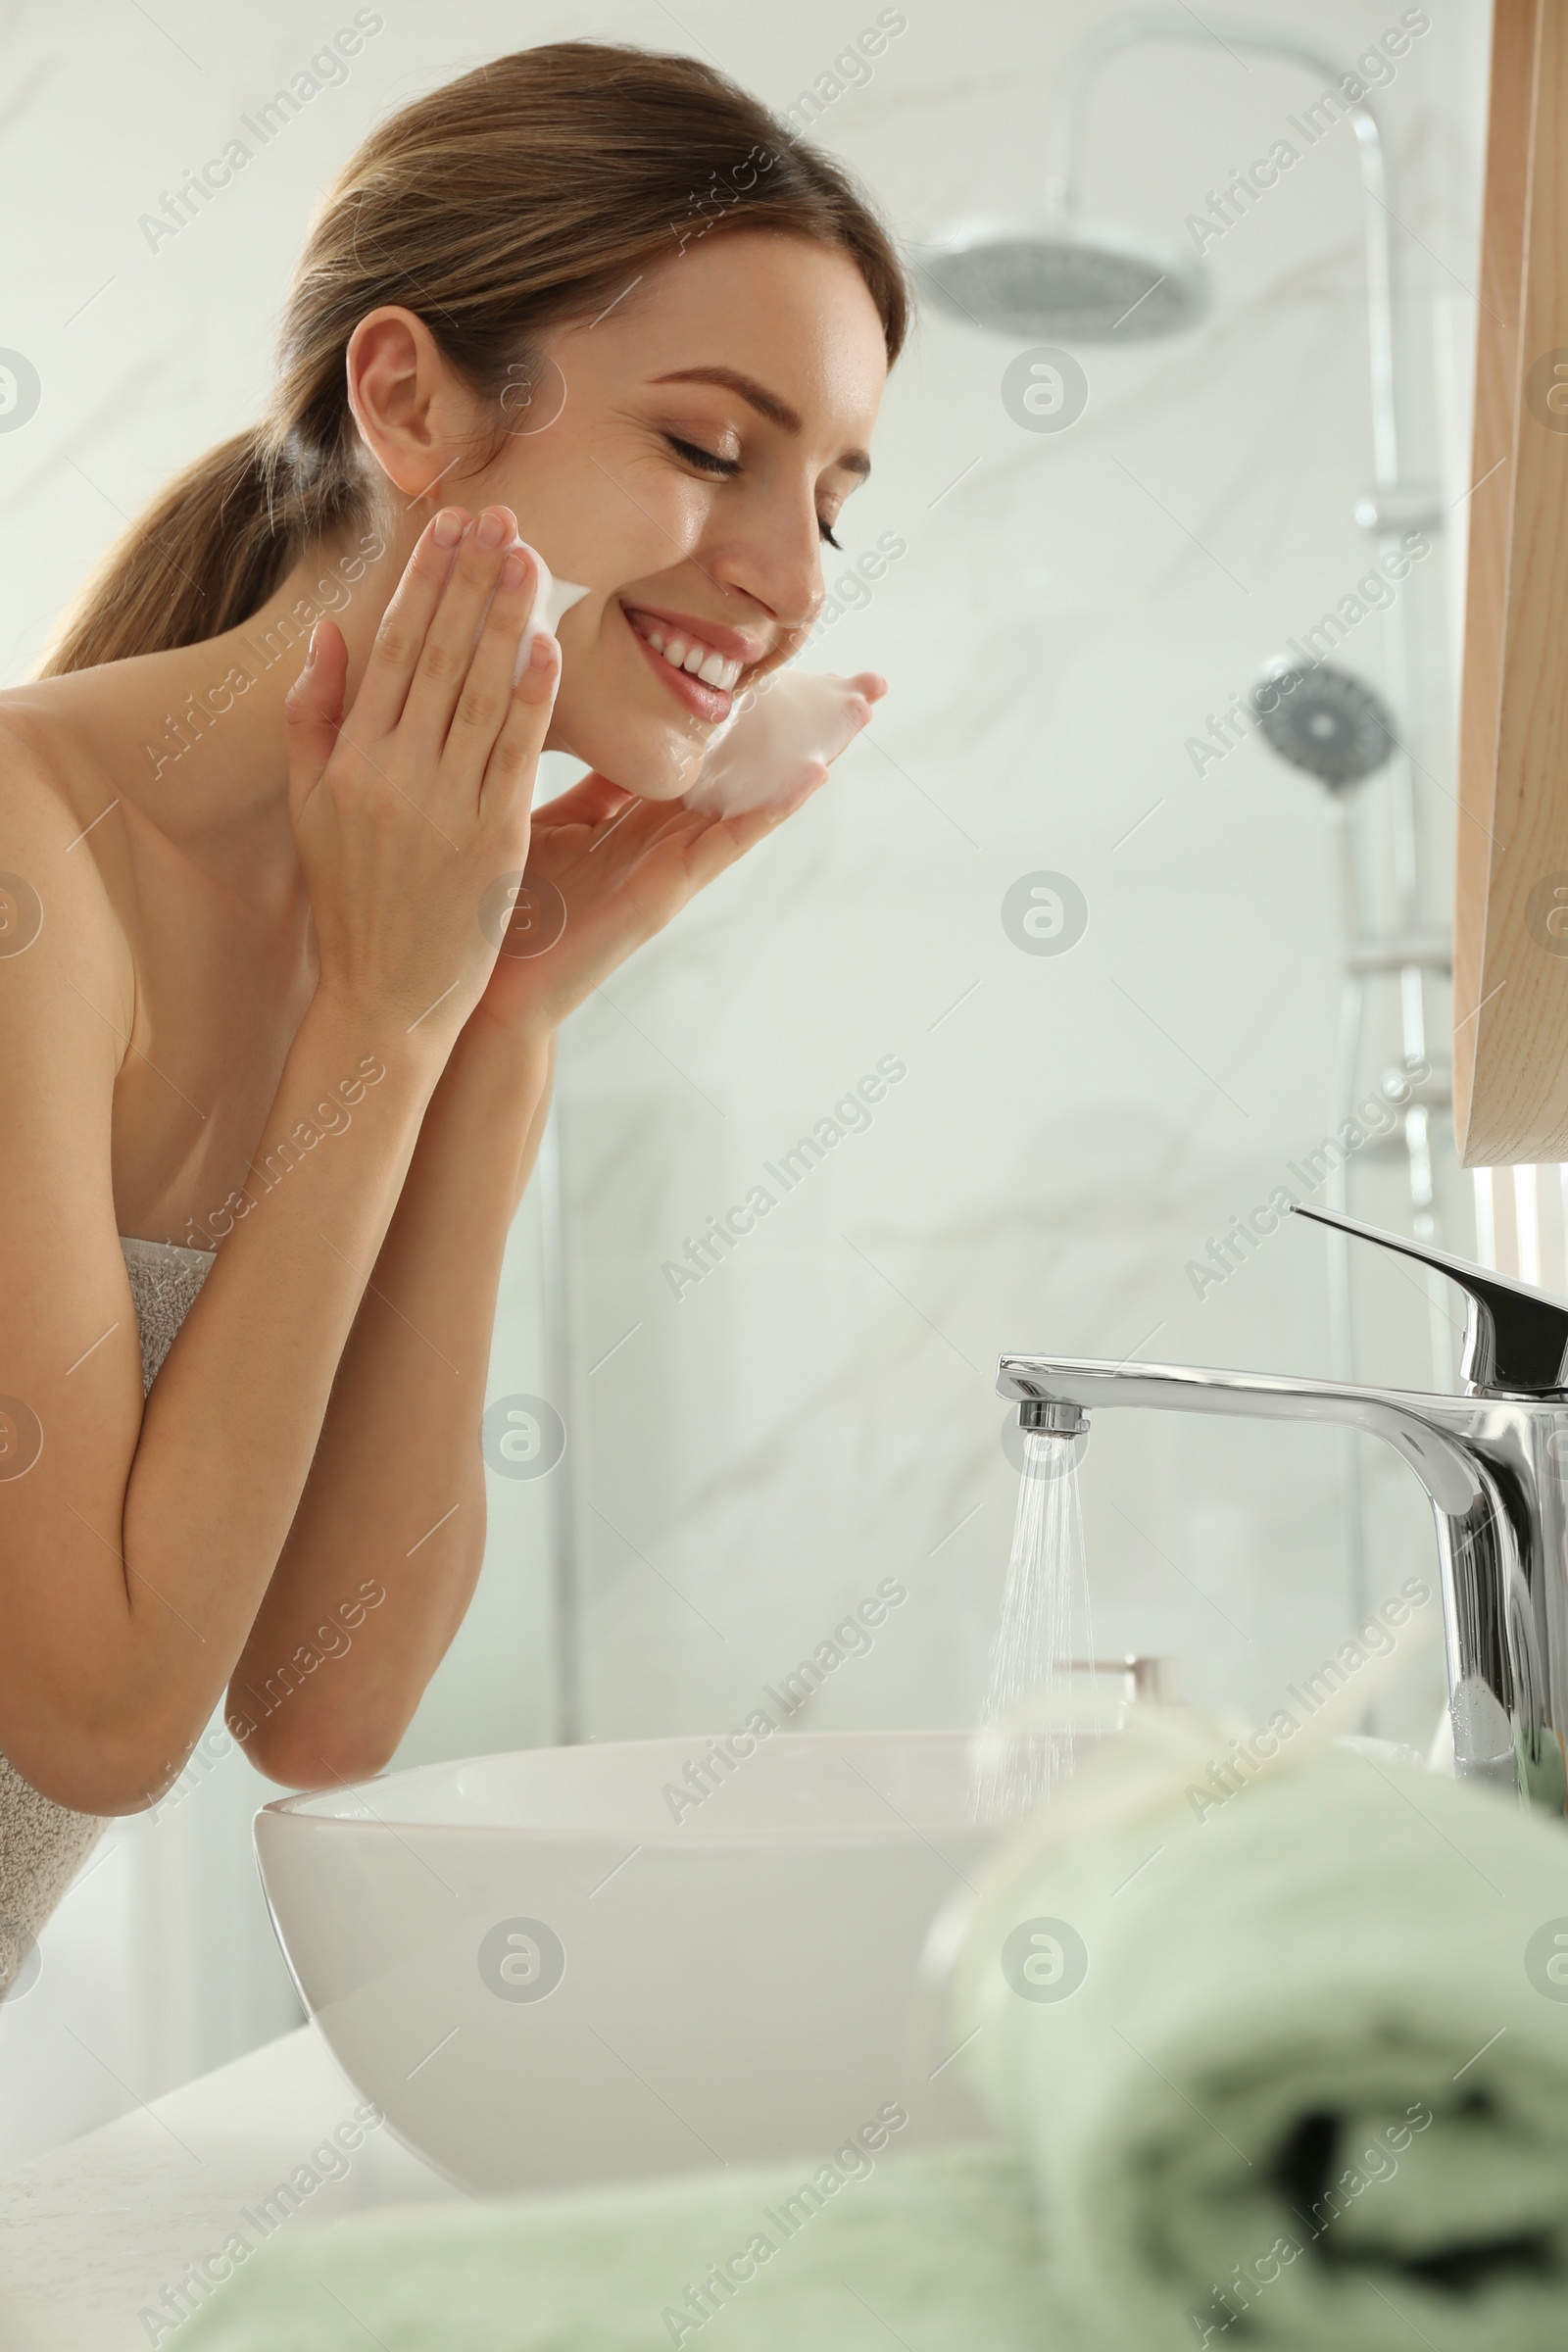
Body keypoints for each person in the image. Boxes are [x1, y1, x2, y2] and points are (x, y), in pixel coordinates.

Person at [0, 40, 908, 1985]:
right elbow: (93, 1721)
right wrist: (392, 1028)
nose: (788, 582)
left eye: (830, 496)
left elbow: (322, 1706)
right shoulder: (28, 857)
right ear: (407, 398)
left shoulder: (387, 937)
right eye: (702, 447)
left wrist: (493, 1018)